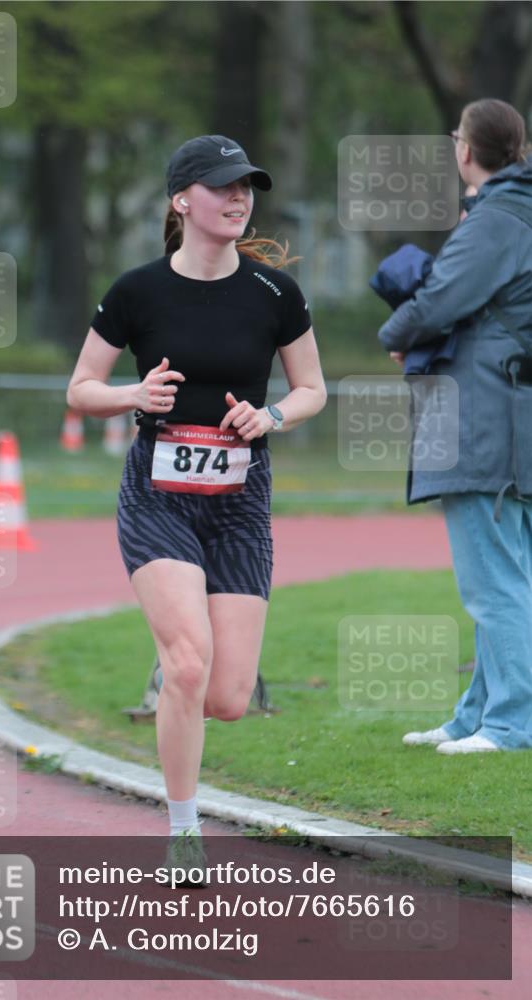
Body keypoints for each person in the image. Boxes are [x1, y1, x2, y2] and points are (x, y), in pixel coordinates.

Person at [67, 135, 327, 860]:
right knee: (191, 663)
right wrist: (131, 395)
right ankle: (184, 830)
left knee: (226, 698)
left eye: (247, 186)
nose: (239, 197)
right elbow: (79, 388)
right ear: (182, 200)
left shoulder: (274, 293)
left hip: (240, 497)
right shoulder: (137, 291)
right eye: (222, 186)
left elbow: (312, 390)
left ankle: (177, 664)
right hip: (159, 493)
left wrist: (270, 416)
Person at [377, 99, 532, 753]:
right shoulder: (513, 211)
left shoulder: (496, 217)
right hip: (512, 412)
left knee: (492, 581)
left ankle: (511, 723)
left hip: (484, 418)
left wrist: (394, 331)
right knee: (504, 573)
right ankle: (476, 713)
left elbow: (440, 296)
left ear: (464, 150)